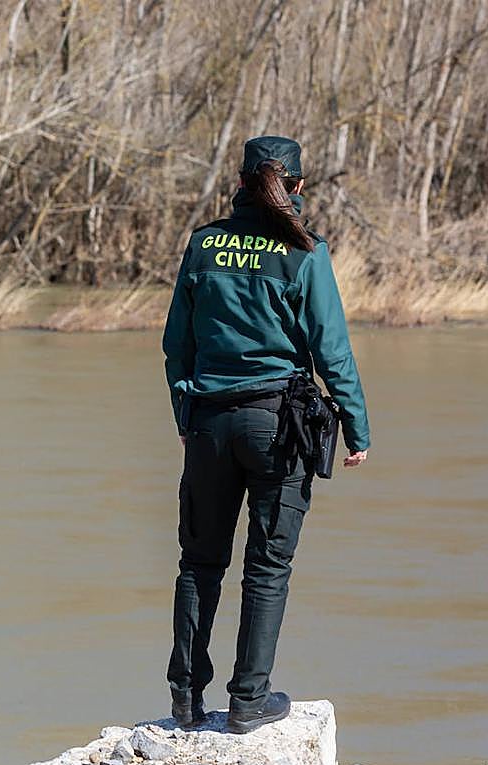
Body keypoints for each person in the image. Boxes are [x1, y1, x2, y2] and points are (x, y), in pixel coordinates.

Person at [161, 136, 370, 734]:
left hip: (209, 422)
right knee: (268, 565)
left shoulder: (204, 246)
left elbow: (178, 345)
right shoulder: (304, 251)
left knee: (199, 562)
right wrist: (356, 426)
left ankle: (186, 700)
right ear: (296, 187)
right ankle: (249, 700)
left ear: (243, 182)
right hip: (278, 425)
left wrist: (186, 416)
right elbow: (332, 351)